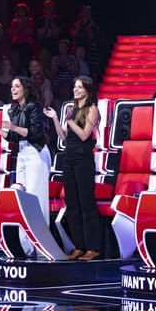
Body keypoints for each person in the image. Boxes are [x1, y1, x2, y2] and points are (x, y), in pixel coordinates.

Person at [0, 76, 50, 258]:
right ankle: (25, 244)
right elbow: (13, 138)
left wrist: (13, 127)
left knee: (35, 199)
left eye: (17, 86)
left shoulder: (34, 108)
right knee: (21, 198)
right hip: (21, 154)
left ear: (26, 89)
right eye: (11, 86)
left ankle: (41, 246)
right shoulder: (12, 110)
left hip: (37, 153)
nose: (13, 89)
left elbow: (35, 134)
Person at [44, 76, 101, 261]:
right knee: (72, 204)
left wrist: (69, 122)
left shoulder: (92, 109)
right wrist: (55, 119)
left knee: (86, 203)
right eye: (74, 87)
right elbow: (63, 136)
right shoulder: (71, 110)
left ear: (87, 90)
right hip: (69, 157)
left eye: (79, 87)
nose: (75, 90)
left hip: (83, 158)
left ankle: (93, 247)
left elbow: (85, 135)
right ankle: (79, 246)